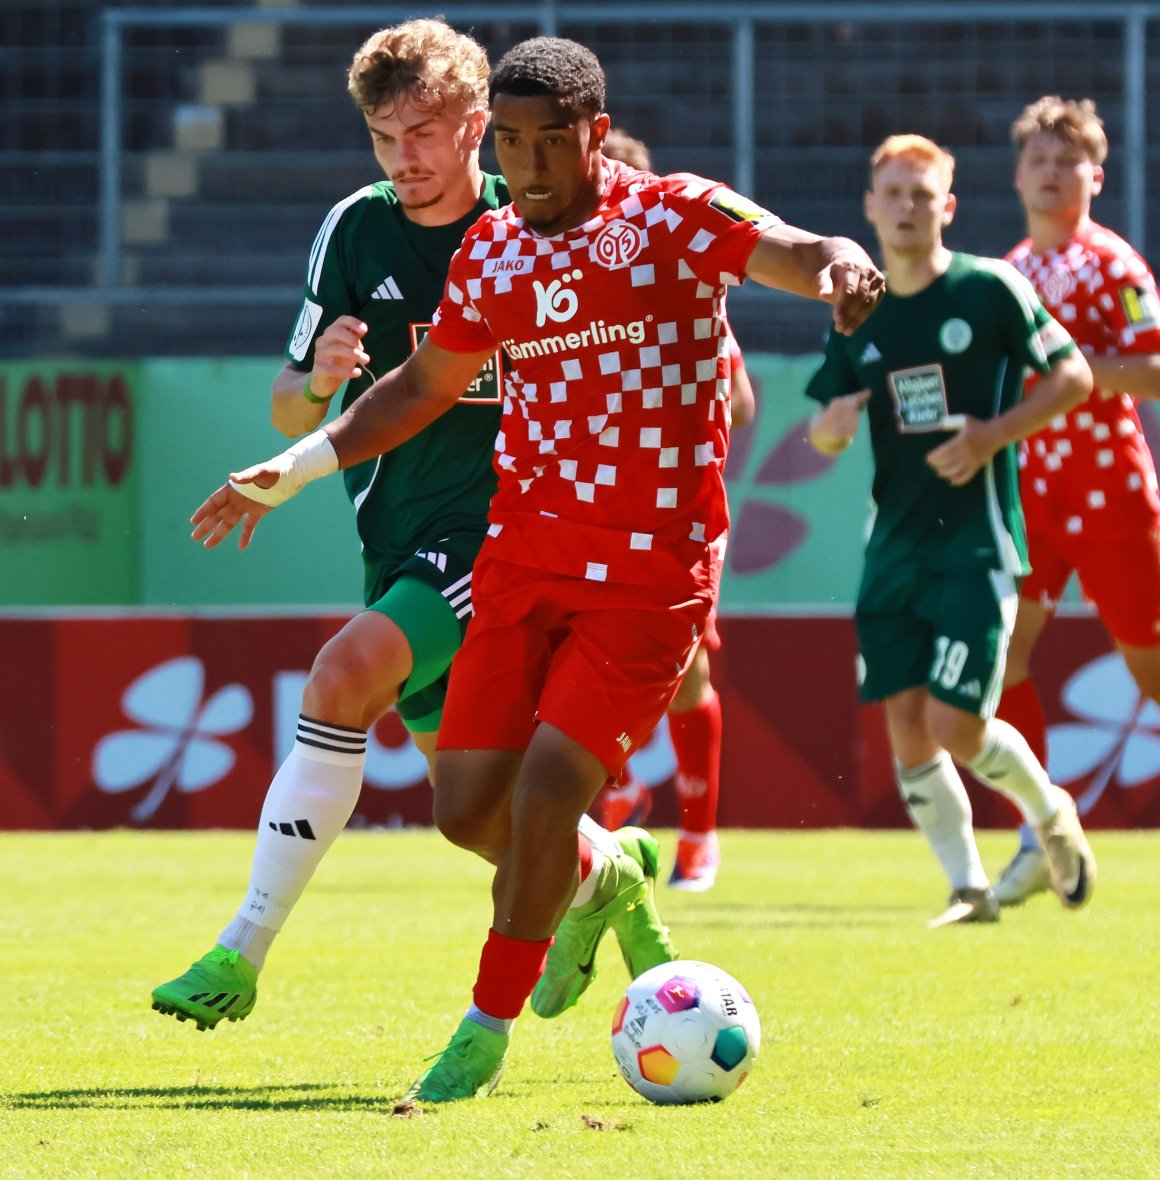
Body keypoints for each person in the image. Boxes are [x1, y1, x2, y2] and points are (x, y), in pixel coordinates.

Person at [189, 36, 884, 1101]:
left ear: (593, 134)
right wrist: (287, 468)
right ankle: (607, 882)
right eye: (509, 145)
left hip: (648, 574)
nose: (524, 168)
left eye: (543, 144)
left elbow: (790, 247)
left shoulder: (674, 214)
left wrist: (837, 263)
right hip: (520, 565)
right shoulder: (495, 253)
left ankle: (481, 1027)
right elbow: (415, 388)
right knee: (468, 810)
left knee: (554, 783)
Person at [151, 19, 669, 1035]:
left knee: (343, 673)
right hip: (396, 540)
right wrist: (319, 385)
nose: (407, 159)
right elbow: (287, 405)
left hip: (505, 535)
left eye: (426, 132)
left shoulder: (531, 224)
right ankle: (609, 880)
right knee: (476, 815)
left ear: (479, 125)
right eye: (387, 138)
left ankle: (241, 950)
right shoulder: (353, 230)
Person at [806, 133, 1097, 928]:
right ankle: (968, 889)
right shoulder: (856, 308)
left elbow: (1074, 376)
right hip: (891, 547)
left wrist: (993, 435)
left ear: (948, 206)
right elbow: (827, 430)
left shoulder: (989, 289)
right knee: (906, 730)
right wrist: (831, 427)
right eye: (892, 194)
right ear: (869, 206)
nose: (905, 208)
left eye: (921, 195)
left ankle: (1051, 816)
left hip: (975, 543)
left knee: (955, 726)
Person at [991, 96, 1160, 905]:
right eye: (1039, 160)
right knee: (1001, 663)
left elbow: (1154, 370)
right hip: (1029, 497)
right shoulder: (1013, 269)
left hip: (1110, 494)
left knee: (1152, 672)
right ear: (1018, 174)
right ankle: (1042, 831)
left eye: (1069, 161)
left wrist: (1069, 368)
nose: (1052, 174)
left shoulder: (1116, 266)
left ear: (1097, 175)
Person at [592, 126, 758, 892]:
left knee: (685, 675)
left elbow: (745, 402)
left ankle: (699, 834)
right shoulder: (559, 288)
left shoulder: (685, 286)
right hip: (584, 506)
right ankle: (618, 786)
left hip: (672, 509)